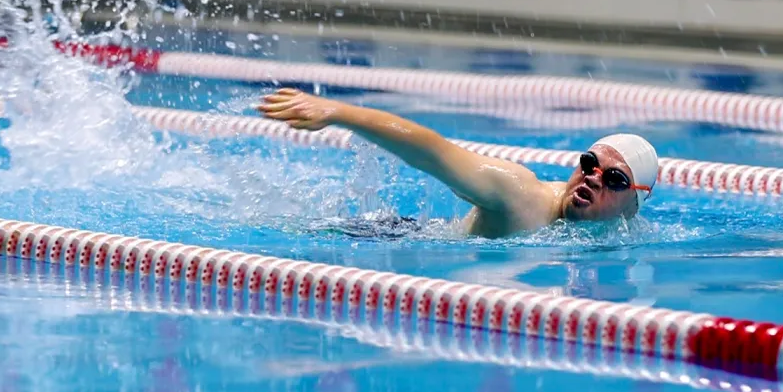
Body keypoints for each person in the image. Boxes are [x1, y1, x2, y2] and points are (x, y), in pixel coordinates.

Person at [257, 88, 659, 238]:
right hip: (390, 238)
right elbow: (433, 152)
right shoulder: (521, 196)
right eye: (589, 163)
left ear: (634, 205)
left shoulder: (633, 237)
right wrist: (336, 111)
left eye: (615, 180)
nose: (593, 177)